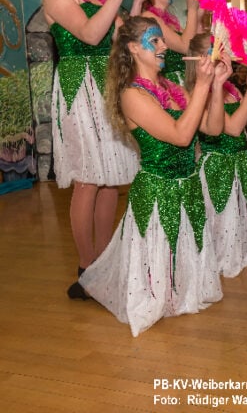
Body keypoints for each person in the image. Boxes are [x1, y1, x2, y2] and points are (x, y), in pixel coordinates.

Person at [79, 17, 232, 336]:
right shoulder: (132, 95)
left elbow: (213, 128)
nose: (164, 46)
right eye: (155, 41)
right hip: (157, 191)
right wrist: (201, 86)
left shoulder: (173, 89)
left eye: (162, 40)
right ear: (134, 48)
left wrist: (216, 86)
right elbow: (181, 136)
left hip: (188, 187)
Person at [42, 0, 153, 300]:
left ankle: (105, 261)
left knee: (110, 180)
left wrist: (136, 2)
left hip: (106, 88)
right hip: (79, 90)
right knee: (88, 179)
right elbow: (90, 34)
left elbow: (121, 38)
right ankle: (86, 269)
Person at [185, 33, 247, 278]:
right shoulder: (199, 92)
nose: (228, 56)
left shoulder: (230, 89)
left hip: (240, 161)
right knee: (220, 221)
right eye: (221, 52)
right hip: (217, 166)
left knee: (238, 217)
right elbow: (232, 129)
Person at [142, 0, 199, 85]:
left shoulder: (171, 21)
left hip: (184, 80)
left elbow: (194, 45)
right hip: (171, 82)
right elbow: (186, 47)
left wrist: (199, 12)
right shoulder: (149, 17)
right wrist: (192, 10)